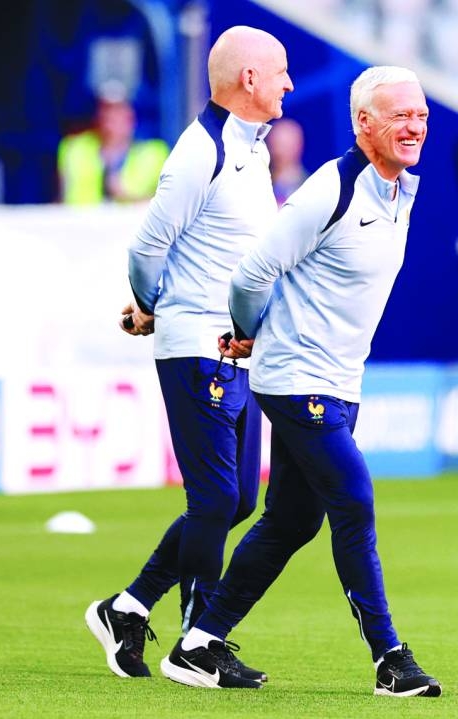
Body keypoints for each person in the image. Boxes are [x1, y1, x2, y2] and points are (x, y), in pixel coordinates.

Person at [158, 65, 442, 697]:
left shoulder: (401, 191)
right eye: (401, 115)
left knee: (291, 521)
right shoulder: (331, 190)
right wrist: (247, 332)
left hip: (340, 382)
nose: (415, 126)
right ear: (363, 122)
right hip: (295, 378)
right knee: (353, 500)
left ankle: (198, 644)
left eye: (421, 115)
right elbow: (251, 274)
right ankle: (389, 659)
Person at [84, 25, 293, 679]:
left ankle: (127, 607)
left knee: (239, 501)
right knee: (213, 499)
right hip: (197, 344)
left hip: (237, 346)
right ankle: (197, 643)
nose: (288, 83)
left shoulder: (251, 149)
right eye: (280, 72)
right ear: (249, 79)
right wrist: (150, 304)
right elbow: (147, 246)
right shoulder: (200, 151)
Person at [57, 82, 169, 204]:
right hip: (82, 216)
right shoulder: (74, 148)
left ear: (131, 116)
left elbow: (168, 204)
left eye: (118, 111)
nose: (110, 119)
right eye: (106, 111)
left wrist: (127, 196)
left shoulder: (155, 153)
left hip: (133, 216)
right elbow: (60, 200)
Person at [266, 117, 308, 204]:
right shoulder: (260, 182)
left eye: (284, 146)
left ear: (298, 146)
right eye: (275, 144)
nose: (278, 151)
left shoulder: (309, 187)